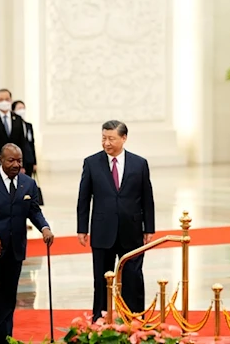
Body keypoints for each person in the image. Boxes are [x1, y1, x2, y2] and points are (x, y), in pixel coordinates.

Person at [0, 143, 53, 344]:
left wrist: (44, 227)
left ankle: (4, 332)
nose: (16, 164)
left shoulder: (27, 183)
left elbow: (33, 210)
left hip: (14, 248)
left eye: (19, 160)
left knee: (9, 293)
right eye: (11, 160)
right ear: (1, 160)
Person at [77, 120, 155, 321]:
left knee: (133, 275)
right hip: (103, 229)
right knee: (102, 277)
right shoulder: (91, 163)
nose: (106, 143)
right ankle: (100, 317)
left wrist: (149, 227)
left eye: (111, 138)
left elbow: (147, 198)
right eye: (103, 138)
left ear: (124, 138)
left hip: (132, 229)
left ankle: (135, 317)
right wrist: (81, 228)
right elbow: (84, 198)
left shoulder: (139, 163)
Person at [11, 100, 37, 177]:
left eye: (23, 108)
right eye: (19, 108)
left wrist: (34, 162)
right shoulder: (13, 126)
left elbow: (32, 144)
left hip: (29, 159)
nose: (22, 110)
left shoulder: (28, 125)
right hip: (19, 160)